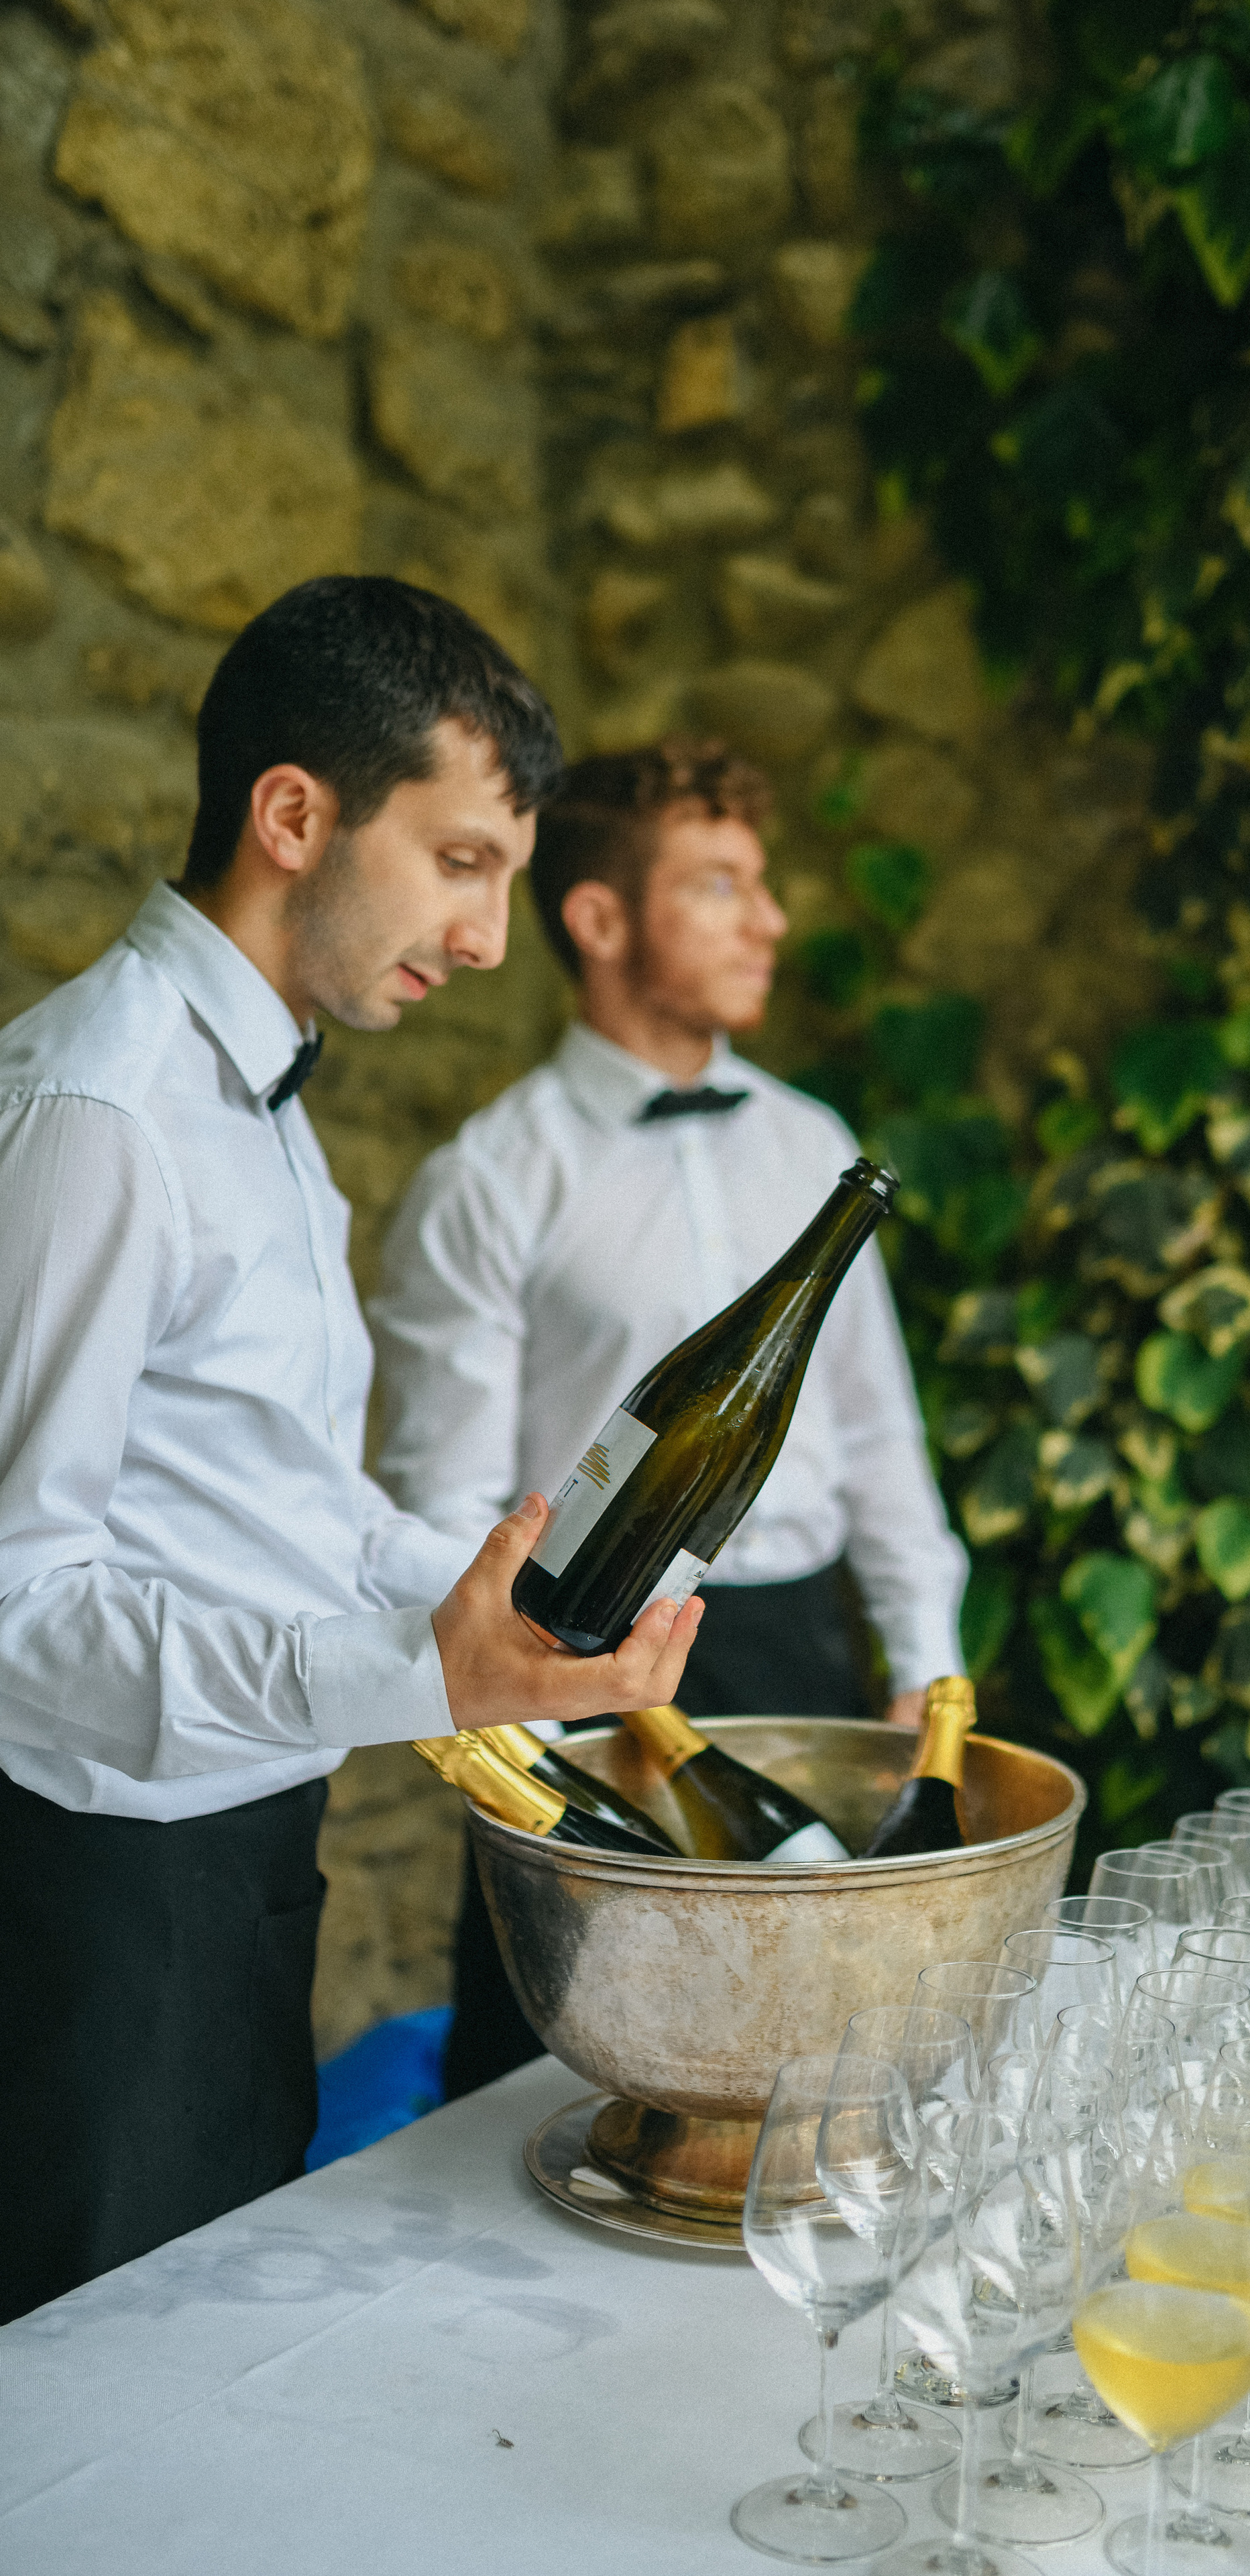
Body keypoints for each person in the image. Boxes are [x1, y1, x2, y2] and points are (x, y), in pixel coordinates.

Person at [0, 580, 701, 2324]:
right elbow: (14, 1611)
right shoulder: (100, 1110)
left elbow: (285, 1508)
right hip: (99, 1908)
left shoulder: (266, 1107)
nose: (487, 939)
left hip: (241, 1864)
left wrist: (529, 1605)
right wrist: (414, 1672)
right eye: (461, 862)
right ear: (294, 815)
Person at [372, 739, 968, 2094]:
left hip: (800, 1658)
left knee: (811, 2064)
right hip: (581, 1667)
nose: (770, 921)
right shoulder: (488, 1179)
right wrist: (529, 1751)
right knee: (553, 2072)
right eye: (718, 886)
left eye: (760, 884)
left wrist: (921, 1662)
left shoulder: (813, 1146)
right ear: (598, 919)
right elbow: (445, 1499)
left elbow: (878, 1432)